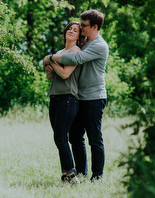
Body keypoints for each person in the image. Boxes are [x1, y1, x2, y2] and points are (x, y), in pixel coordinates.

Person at [44, 10, 109, 182]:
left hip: (94, 97)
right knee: (75, 137)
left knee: (94, 139)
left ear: (94, 27)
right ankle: (80, 173)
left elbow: (76, 58)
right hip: (78, 97)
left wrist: (50, 57)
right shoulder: (85, 42)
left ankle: (97, 176)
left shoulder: (99, 45)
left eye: (83, 25)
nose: (80, 27)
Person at [44, 21, 85, 184]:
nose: (71, 31)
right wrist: (48, 67)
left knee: (61, 137)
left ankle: (72, 174)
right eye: (70, 28)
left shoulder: (75, 51)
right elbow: (49, 76)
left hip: (68, 99)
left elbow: (64, 74)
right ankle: (65, 175)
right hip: (54, 97)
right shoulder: (60, 52)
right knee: (58, 138)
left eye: (75, 30)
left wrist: (50, 60)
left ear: (78, 36)